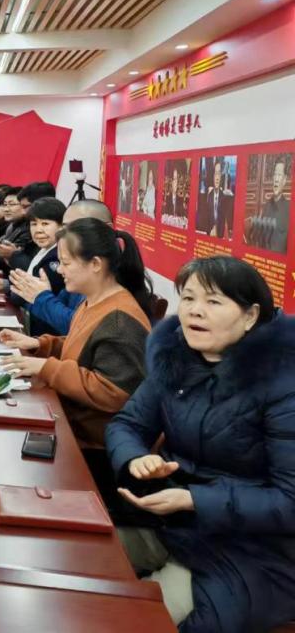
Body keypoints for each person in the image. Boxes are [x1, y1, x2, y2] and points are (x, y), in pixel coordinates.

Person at [106, 257, 295, 633]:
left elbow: (289, 501)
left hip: (248, 547)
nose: (195, 310)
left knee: (133, 621)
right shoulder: (175, 357)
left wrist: (194, 500)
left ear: (250, 315)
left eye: (213, 301)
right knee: (78, 563)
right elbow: (127, 424)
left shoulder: (282, 384)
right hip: (167, 518)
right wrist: (136, 459)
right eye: (189, 298)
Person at [0, 217, 153, 449]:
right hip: (68, 420)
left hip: (92, 442)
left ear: (96, 264)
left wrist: (47, 367)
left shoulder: (120, 320)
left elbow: (112, 393)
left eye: (66, 263)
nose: (60, 270)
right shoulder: (93, 300)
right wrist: (40, 344)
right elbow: (82, 345)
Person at [10, 199, 111, 335]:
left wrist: (42, 297)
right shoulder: (80, 271)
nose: (59, 269)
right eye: (65, 228)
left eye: (77, 227)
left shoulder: (109, 279)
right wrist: (40, 343)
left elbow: (81, 329)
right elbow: (60, 314)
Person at [0, 198, 67, 337]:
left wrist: (10, 287)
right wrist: (4, 284)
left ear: (62, 227)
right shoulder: (44, 249)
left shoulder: (56, 258)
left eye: (45, 224)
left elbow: (23, 296)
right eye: (34, 224)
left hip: (45, 334)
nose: (38, 230)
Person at [260, 157, 290, 253]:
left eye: (279, 175)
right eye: (275, 175)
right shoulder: (266, 207)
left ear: (284, 180)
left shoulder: (290, 209)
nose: (276, 179)